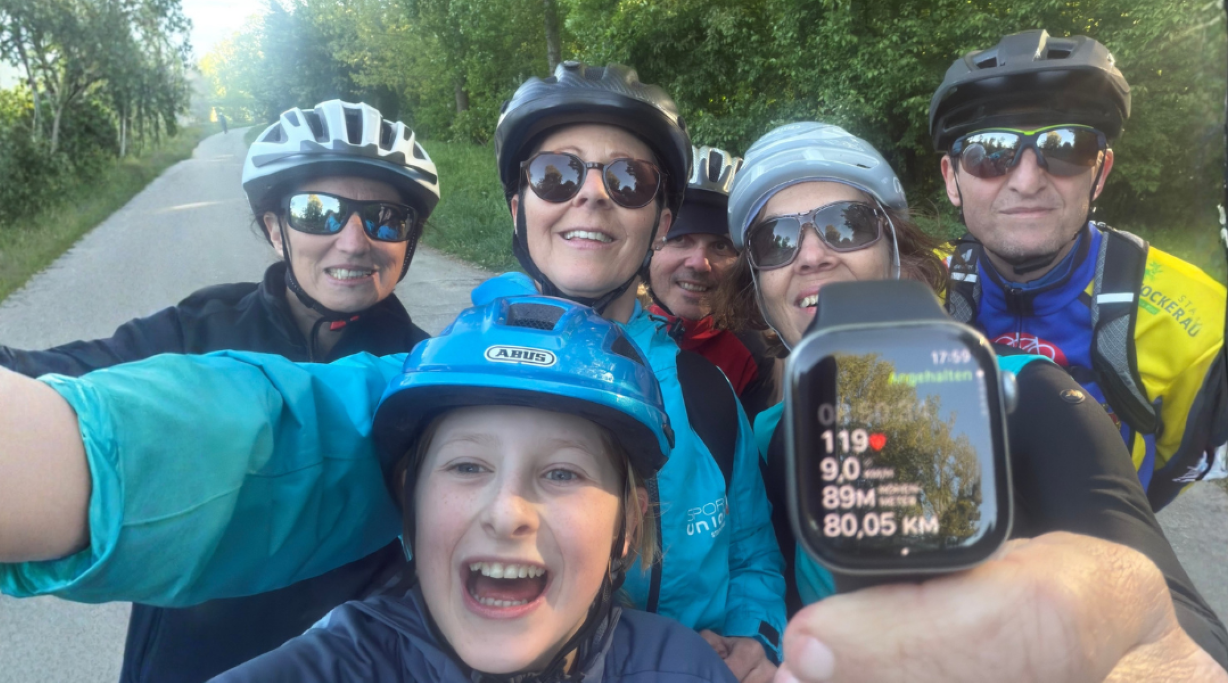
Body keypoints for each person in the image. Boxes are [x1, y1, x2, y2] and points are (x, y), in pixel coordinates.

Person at [0, 62, 785, 683]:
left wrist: (756, 633)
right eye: (556, 174)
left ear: (658, 217)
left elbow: (752, 545)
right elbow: (288, 436)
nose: (592, 196)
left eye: (629, 180)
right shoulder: (449, 370)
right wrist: (68, 455)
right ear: (518, 206)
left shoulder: (708, 390)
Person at [711, 121, 1228, 679]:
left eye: (848, 225)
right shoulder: (770, 436)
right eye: (775, 241)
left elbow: (1178, 629)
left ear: (896, 249)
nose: (811, 254)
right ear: (759, 287)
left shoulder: (1027, 392)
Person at [0, 99, 437, 683]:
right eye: (318, 212)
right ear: (275, 229)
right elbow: (64, 375)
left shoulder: (429, 375)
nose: (354, 241)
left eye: (385, 218)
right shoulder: (198, 329)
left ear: (409, 241)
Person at [211, 294, 737, 683]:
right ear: (410, 502)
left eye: (562, 473)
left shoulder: (683, 668)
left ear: (628, 527)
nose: (507, 513)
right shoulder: (340, 665)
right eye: (467, 466)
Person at [929, 30, 1228, 510]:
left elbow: (1172, 475)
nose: (1027, 181)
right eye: (990, 152)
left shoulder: (1202, 323)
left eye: (1065, 147)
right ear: (952, 179)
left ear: (1100, 173)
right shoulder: (918, 286)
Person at [644, 145, 775, 421]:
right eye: (680, 239)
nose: (699, 263)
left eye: (720, 246)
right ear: (650, 249)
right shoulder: (610, 333)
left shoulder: (753, 357)